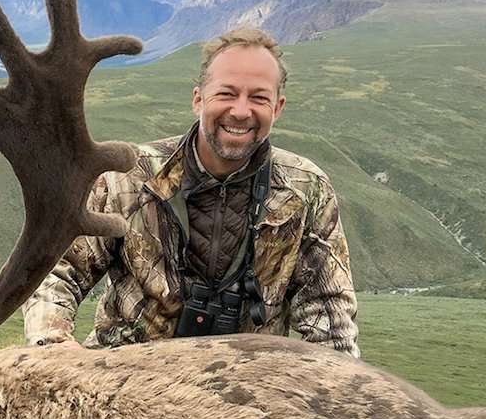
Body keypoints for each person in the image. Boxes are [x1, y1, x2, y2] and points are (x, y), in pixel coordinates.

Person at [23, 27, 360, 357]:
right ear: (198, 99)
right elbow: (57, 272)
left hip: (245, 384)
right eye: (226, 94)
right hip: (125, 376)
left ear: (278, 107)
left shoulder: (306, 188)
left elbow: (330, 315)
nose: (241, 111)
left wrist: (332, 382)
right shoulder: (128, 178)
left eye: (258, 98)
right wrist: (52, 344)